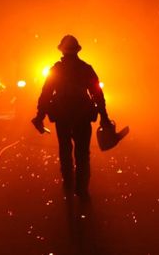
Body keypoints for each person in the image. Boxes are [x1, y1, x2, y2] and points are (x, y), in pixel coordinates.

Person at [31, 35, 111, 200]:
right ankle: (81, 189)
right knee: (82, 153)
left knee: (65, 151)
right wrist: (104, 117)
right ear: (77, 51)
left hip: (63, 116)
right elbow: (97, 95)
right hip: (82, 116)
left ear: (62, 51)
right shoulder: (86, 68)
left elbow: (46, 94)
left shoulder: (56, 70)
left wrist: (40, 116)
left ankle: (68, 184)